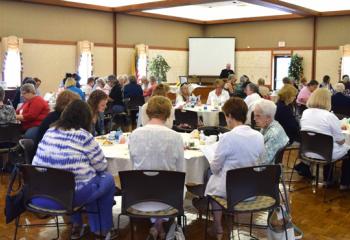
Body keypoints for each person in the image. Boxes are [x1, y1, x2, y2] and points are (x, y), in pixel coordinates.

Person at [32, 100, 116, 239]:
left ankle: (76, 225)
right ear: (86, 118)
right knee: (106, 179)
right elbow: (102, 166)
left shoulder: (50, 131)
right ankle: (102, 230)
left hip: (40, 194)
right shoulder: (84, 136)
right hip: (69, 197)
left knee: (77, 181)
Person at [205, 97, 265, 239]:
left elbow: (215, 168)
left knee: (210, 176)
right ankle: (224, 219)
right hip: (251, 188)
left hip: (231, 191)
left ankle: (217, 225)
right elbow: (260, 162)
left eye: (226, 116)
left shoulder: (227, 137)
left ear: (230, 116)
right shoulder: (258, 136)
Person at [129, 96, 184, 239]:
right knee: (177, 183)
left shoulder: (134, 135)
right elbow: (181, 171)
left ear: (147, 112)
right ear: (168, 114)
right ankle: (159, 224)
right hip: (168, 199)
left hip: (138, 197)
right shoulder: (176, 137)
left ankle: (157, 225)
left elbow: (133, 165)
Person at [297, 88, 350, 189]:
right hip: (325, 153)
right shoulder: (329, 116)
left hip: (307, 151)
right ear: (327, 100)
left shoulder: (305, 113)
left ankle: (327, 179)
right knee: (344, 147)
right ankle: (345, 183)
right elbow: (341, 141)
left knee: (327, 143)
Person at [254, 99, 289, 164]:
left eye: (258, 116)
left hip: (268, 171)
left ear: (268, 117)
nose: (254, 119)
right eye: (254, 115)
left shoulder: (274, 134)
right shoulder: (266, 125)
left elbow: (262, 163)